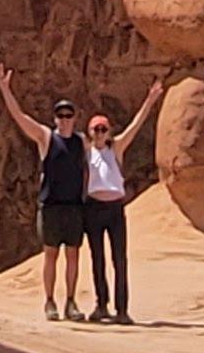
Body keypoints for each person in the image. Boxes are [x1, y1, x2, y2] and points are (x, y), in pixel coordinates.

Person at [0, 67, 98, 316]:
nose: (64, 119)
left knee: (73, 255)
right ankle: (49, 301)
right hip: (50, 206)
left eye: (68, 114)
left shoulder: (82, 141)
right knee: (50, 255)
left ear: (74, 117)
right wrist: (4, 87)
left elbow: (105, 150)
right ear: (55, 118)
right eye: (60, 115)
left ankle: (70, 302)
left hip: (73, 207)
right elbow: (19, 116)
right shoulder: (46, 137)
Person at [74, 74, 172, 323]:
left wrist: (150, 101)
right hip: (93, 208)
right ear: (89, 132)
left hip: (115, 209)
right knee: (98, 259)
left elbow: (136, 126)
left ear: (109, 132)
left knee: (119, 259)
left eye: (103, 129)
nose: (99, 133)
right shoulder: (86, 151)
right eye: (95, 129)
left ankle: (122, 310)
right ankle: (101, 306)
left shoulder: (116, 148)